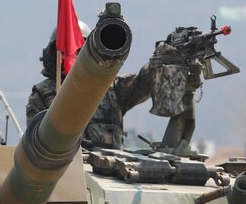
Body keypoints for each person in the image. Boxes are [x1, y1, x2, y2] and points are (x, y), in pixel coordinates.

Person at [26, 22, 160, 150]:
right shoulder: (42, 93)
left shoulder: (111, 88)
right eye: (64, 51)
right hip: (67, 168)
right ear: (53, 54)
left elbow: (145, 82)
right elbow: (36, 141)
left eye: (78, 50)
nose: (71, 56)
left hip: (111, 169)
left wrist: (162, 59)